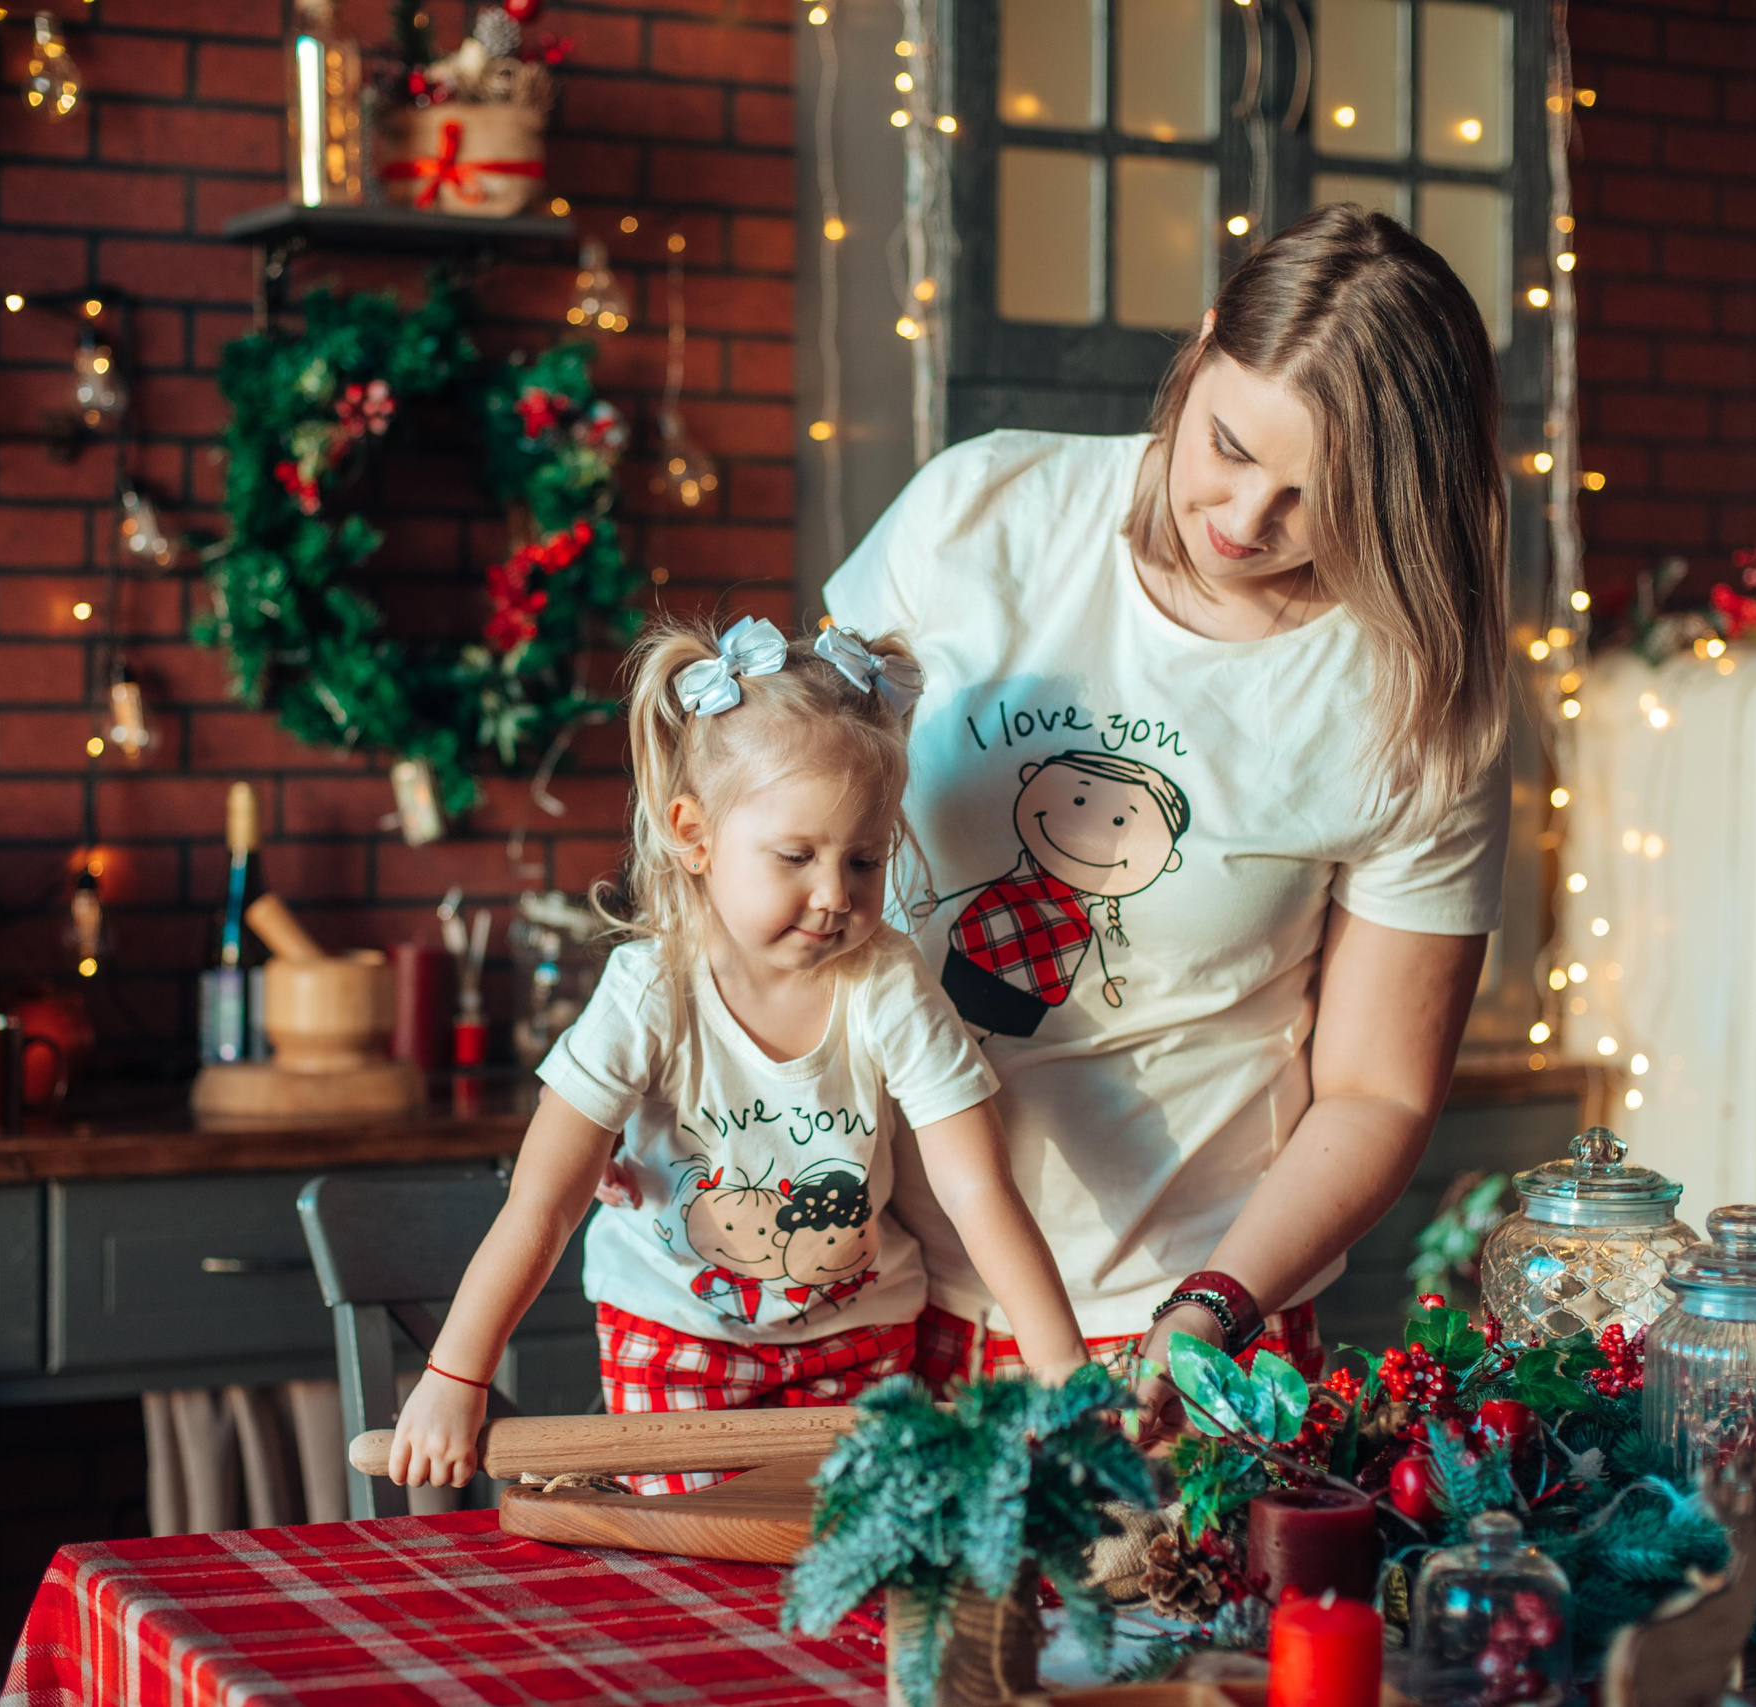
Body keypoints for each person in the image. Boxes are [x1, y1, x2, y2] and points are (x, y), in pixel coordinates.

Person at [823, 204, 1513, 1438]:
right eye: (1229, 447)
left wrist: (1213, 1307)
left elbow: (1374, 1093)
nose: (1247, 519)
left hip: (1173, 1317)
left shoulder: (1412, 694)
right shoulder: (983, 509)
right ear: (1199, 350)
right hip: (859, 1279)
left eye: (1318, 496)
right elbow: (782, 790)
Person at [385, 614, 1089, 1495]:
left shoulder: (888, 980)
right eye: (795, 856)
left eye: (865, 860)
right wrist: (456, 1377)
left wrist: (1063, 1368)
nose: (835, 895)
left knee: (845, 1571)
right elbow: (544, 1201)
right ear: (694, 835)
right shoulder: (651, 988)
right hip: (676, 1339)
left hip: (862, 1341)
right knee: (702, 1576)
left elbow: (976, 1184)